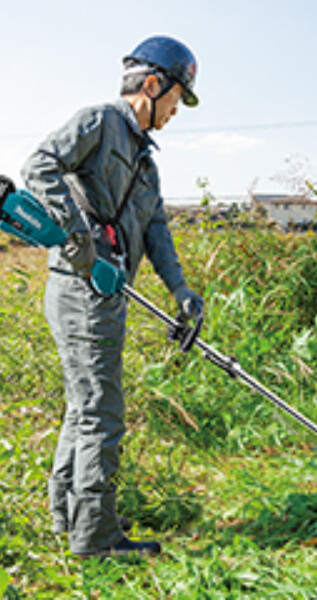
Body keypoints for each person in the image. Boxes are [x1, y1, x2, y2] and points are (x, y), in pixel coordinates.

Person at [21, 35, 204, 558]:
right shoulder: (100, 122)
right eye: (176, 99)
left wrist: (182, 291)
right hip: (81, 287)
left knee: (84, 407)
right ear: (152, 85)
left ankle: (68, 515)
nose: (176, 111)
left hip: (107, 294)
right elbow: (39, 166)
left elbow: (158, 232)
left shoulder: (145, 161)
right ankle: (96, 537)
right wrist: (79, 237)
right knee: (102, 410)